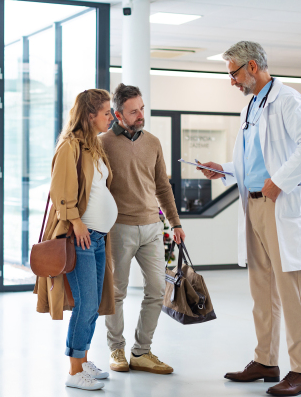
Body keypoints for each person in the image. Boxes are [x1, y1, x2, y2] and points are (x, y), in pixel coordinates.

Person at [198, 41, 301, 396]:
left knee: (291, 289)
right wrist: (223, 169)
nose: (232, 82)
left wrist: (281, 182)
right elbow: (251, 161)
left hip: (281, 205)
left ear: (252, 67)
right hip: (253, 204)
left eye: (234, 74)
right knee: (262, 289)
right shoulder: (251, 108)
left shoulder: (287, 100)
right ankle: (266, 361)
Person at [34, 89, 118, 391]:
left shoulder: (93, 146)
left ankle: (82, 362)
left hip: (97, 238)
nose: (112, 116)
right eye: (107, 112)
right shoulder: (69, 146)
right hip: (79, 237)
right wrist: (77, 222)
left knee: (93, 303)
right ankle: (73, 371)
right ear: (89, 114)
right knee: (85, 304)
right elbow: (60, 192)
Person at [101, 83, 186, 375]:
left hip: (152, 227)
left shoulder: (153, 142)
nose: (140, 115)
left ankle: (142, 351)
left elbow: (163, 185)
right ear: (117, 114)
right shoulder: (103, 144)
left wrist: (175, 222)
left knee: (157, 288)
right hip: (119, 228)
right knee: (116, 293)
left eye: (142, 109)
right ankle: (116, 349)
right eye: (133, 111)